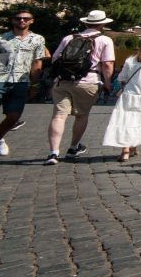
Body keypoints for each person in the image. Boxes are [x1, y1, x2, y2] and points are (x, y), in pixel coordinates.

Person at [46, 10, 116, 165]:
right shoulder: (105, 40)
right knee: (82, 115)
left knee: (58, 116)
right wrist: (108, 82)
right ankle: (73, 147)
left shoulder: (69, 38)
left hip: (62, 81)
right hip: (88, 81)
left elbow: (55, 58)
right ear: (103, 24)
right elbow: (107, 64)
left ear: (85, 23)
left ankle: (53, 152)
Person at [0, 9, 48, 157]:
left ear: (31, 21)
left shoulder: (38, 39)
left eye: (25, 18)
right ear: (12, 20)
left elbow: (37, 62)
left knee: (14, 116)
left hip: (20, 81)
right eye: (18, 18)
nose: (21, 21)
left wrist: (34, 84)